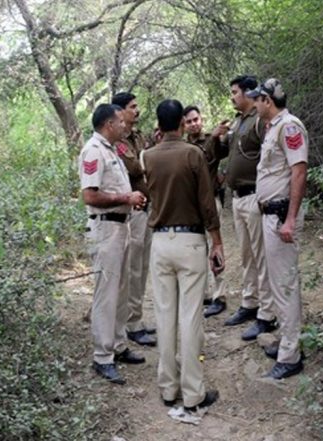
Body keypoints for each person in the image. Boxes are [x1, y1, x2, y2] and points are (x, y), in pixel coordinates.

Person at [142, 99, 222, 412]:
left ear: (159, 126)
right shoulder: (193, 154)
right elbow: (207, 203)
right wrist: (217, 242)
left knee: (164, 316)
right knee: (190, 317)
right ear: (180, 124)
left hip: (160, 243)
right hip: (190, 241)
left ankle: (167, 387)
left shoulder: (147, 155)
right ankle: (193, 392)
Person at [79, 103, 148, 384]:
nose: (124, 125)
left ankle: (118, 344)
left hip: (122, 226)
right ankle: (102, 355)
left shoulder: (112, 150)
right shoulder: (93, 151)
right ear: (108, 124)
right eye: (120, 121)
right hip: (105, 228)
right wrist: (125, 199)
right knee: (106, 294)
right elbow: (90, 196)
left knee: (122, 290)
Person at [247, 78, 308, 379]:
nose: (254, 104)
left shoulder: (289, 126)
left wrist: (291, 219)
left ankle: (290, 355)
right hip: (270, 215)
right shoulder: (273, 128)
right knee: (277, 283)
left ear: (267, 101)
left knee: (285, 286)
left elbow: (299, 173)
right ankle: (288, 341)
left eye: (257, 99)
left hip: (281, 215)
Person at [211, 75, 276, 342]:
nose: (232, 96)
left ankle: (268, 314)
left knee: (262, 256)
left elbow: (270, 156)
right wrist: (216, 137)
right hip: (237, 199)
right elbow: (226, 151)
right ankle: (250, 303)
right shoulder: (238, 122)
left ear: (249, 93)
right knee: (247, 254)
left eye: (235, 92)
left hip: (254, 197)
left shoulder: (261, 121)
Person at [111, 92, 157, 347]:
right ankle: (130, 323)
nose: (137, 111)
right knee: (133, 268)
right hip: (132, 213)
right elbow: (136, 168)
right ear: (120, 111)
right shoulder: (117, 141)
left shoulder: (139, 137)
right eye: (132, 107)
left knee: (142, 266)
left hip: (146, 208)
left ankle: (135, 319)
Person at [183, 105, 228, 317]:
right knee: (195, 250)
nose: (193, 124)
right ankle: (203, 294)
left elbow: (210, 157)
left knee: (215, 246)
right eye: (188, 121)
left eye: (195, 119)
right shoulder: (181, 145)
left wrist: (217, 137)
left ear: (201, 119)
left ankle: (219, 295)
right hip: (190, 205)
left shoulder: (213, 139)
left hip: (210, 201)